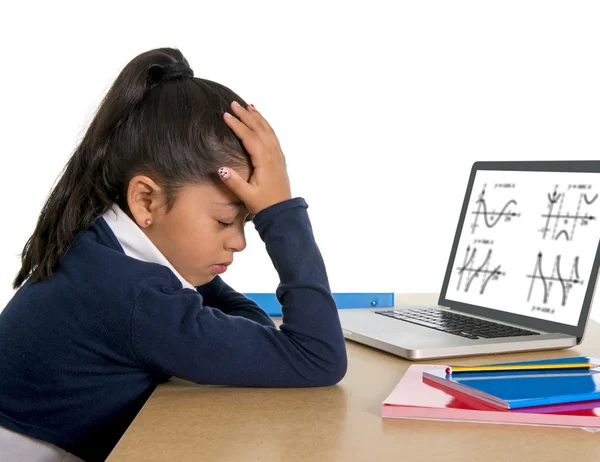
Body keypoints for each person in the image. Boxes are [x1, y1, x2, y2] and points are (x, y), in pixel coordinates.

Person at [0, 47, 347, 462]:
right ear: (145, 200)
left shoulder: (103, 246)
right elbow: (318, 357)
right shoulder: (135, 297)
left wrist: (251, 340)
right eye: (224, 221)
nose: (240, 241)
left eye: (250, 221)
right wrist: (280, 214)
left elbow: (245, 325)